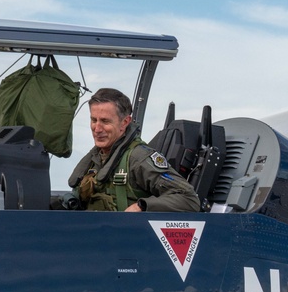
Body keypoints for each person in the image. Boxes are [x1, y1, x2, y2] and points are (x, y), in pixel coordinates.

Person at [68, 88, 201, 212]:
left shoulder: (138, 158)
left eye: (105, 121)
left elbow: (189, 199)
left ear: (125, 122)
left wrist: (142, 206)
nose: (97, 129)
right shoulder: (95, 159)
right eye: (93, 120)